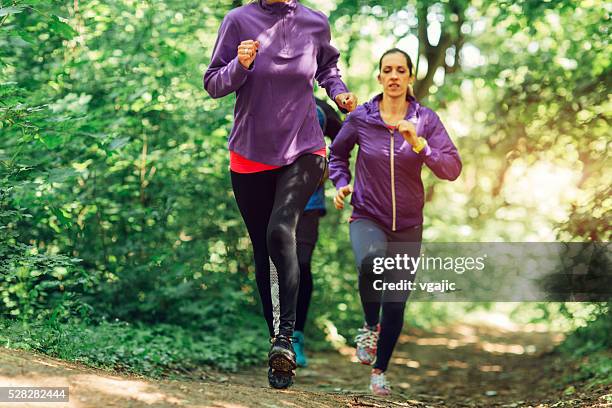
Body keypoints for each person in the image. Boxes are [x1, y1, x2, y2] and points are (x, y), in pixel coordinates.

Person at [203, 0, 357, 389]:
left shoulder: (314, 22)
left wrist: (338, 93)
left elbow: (327, 69)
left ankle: (285, 340)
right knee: (262, 249)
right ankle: (276, 338)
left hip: (305, 149)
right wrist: (241, 64)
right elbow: (213, 84)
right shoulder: (238, 20)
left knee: (280, 231)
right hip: (251, 153)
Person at [329, 48, 461, 396]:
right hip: (367, 214)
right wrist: (341, 183)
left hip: (407, 224)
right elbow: (337, 154)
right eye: (387, 70)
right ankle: (370, 327)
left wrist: (420, 145)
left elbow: (452, 168)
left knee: (397, 301)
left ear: (409, 77)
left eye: (400, 70)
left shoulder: (426, 119)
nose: (393, 76)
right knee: (371, 262)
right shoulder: (361, 118)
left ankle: (379, 371)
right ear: (379, 77)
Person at [292, 98, 342, 367]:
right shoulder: (271, 94)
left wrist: (327, 165)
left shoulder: (322, 108)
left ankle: (296, 337)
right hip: (274, 197)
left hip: (310, 202)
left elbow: (345, 138)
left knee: (301, 264)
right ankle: (278, 336)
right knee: (278, 264)